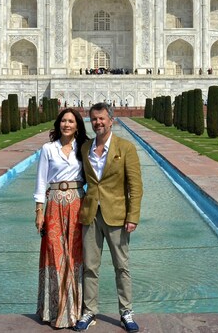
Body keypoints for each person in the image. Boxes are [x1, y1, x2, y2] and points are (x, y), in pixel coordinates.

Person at [73, 103, 143, 332]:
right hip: (91, 214)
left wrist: (132, 216)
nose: (98, 123)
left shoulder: (126, 147)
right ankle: (89, 310)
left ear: (111, 120)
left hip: (117, 216)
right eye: (94, 119)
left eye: (102, 119)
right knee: (90, 267)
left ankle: (126, 311)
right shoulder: (85, 148)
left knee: (121, 266)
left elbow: (136, 185)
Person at [34, 108, 90, 328]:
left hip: (77, 201)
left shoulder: (83, 148)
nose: (67, 124)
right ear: (58, 124)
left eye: (71, 121)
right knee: (55, 254)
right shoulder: (48, 149)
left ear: (77, 125)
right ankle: (55, 309)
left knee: (76, 255)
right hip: (55, 202)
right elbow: (40, 181)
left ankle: (78, 311)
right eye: (64, 121)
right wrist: (39, 210)